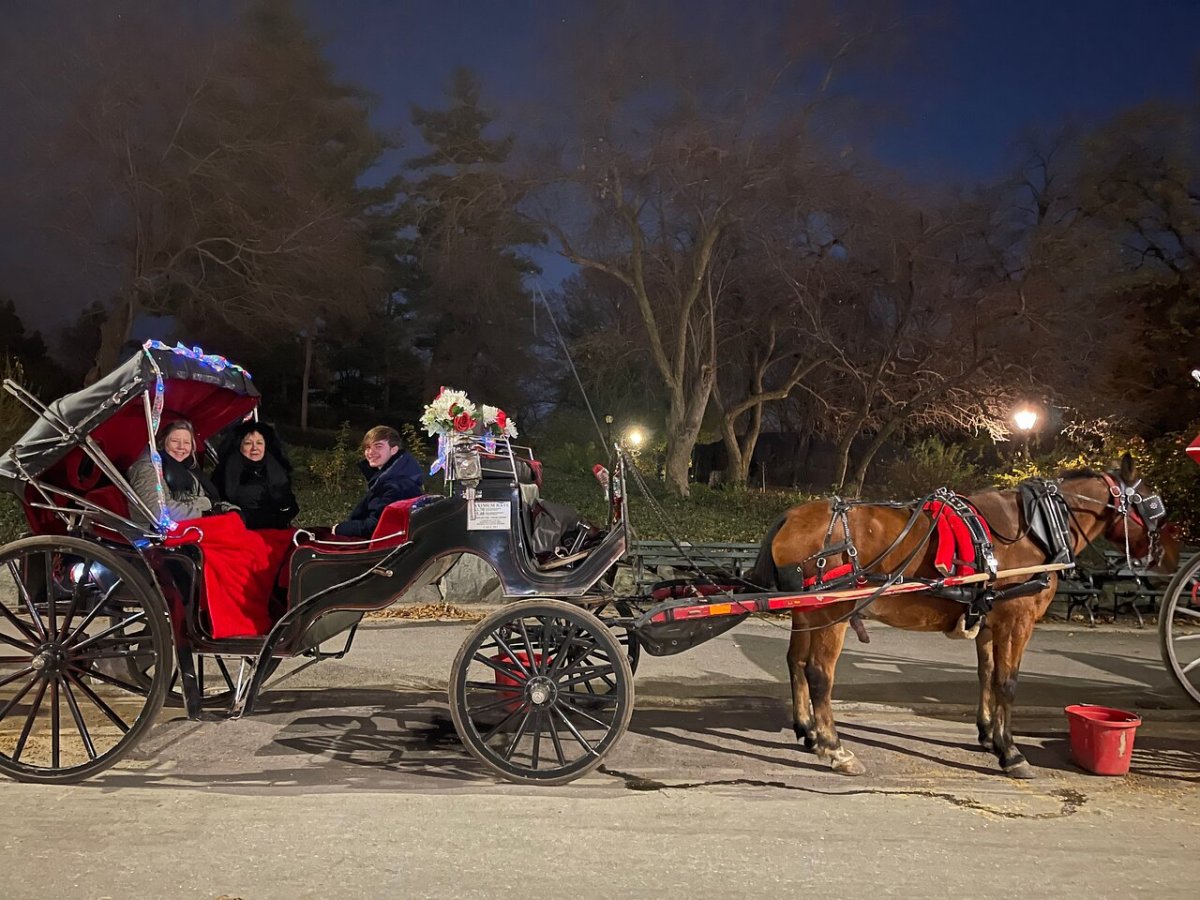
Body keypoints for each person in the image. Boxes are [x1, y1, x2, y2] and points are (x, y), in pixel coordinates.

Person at [333, 425, 423, 537]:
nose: (370, 452)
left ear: (394, 450)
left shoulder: (393, 485)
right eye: (367, 447)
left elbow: (373, 527)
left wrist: (339, 529)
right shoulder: (398, 476)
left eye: (378, 446)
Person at [127, 419, 223, 523]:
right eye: (175, 441)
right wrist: (204, 514)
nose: (181, 447)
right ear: (162, 442)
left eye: (186, 442)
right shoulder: (146, 468)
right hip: (160, 533)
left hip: (192, 524)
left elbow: (201, 498)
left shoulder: (188, 466)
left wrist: (225, 508)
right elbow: (160, 511)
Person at [213, 421, 299, 530]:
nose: (254, 448)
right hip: (239, 529)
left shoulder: (276, 467)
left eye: (259, 443)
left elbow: (290, 505)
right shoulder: (225, 471)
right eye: (248, 443)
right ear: (239, 445)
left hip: (275, 529)